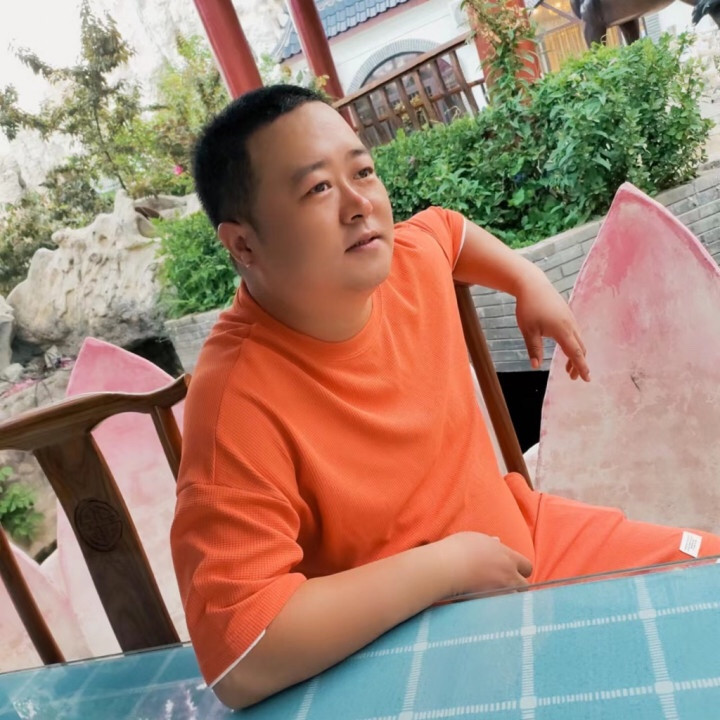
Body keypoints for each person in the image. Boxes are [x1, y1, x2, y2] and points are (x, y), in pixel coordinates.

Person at [170, 84, 720, 710]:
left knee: (704, 584)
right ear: (243, 245)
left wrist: (525, 277)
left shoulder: (400, 262)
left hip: (533, 539)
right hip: (422, 646)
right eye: (318, 188)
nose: (360, 205)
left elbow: (446, 230)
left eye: (363, 172)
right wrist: (447, 569)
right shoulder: (235, 404)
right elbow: (240, 654)